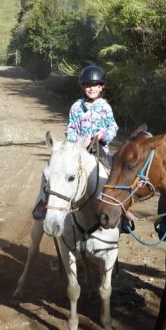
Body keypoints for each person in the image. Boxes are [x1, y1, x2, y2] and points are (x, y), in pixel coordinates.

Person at [31, 64, 119, 219]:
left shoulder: (105, 107)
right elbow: (70, 129)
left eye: (95, 85)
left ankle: (120, 211)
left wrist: (103, 135)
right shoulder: (76, 107)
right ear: (82, 87)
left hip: (100, 150)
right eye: (87, 85)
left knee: (115, 175)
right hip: (77, 150)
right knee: (55, 169)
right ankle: (45, 203)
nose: (91, 89)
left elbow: (113, 127)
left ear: (101, 87)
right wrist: (79, 141)